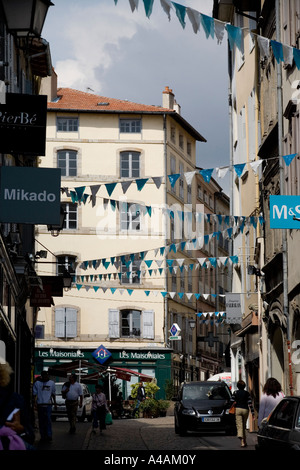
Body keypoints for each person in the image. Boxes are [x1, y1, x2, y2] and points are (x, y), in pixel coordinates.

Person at [0, 359, 35, 450]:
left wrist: (21, 429)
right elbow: (30, 435)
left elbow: (29, 433)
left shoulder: (14, 399)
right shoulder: (15, 399)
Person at [33, 370, 56, 442]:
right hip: (40, 404)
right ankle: (43, 436)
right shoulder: (37, 383)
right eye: (44, 376)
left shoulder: (51, 383)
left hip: (48, 404)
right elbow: (34, 394)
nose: (46, 377)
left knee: (48, 420)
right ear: (42, 376)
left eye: (47, 375)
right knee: (41, 421)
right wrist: (34, 403)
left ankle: (49, 435)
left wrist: (54, 403)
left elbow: (53, 393)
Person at [230, 380, 255, 448]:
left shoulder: (235, 393)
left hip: (238, 409)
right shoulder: (247, 393)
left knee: (239, 425)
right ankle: (244, 441)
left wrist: (233, 404)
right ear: (244, 386)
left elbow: (231, 401)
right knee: (243, 426)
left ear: (237, 386)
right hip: (245, 410)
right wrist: (253, 413)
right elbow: (250, 403)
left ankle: (241, 438)